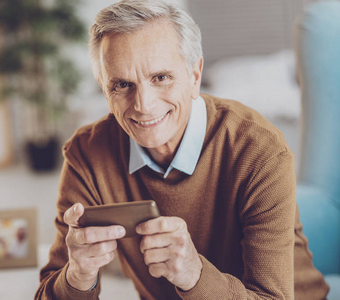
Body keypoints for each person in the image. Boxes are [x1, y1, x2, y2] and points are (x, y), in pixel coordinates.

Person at [35, 0, 329, 299]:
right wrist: (77, 277)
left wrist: (193, 275)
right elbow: (47, 292)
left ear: (195, 75)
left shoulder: (260, 150)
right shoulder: (86, 154)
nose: (143, 105)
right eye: (122, 84)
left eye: (160, 78)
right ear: (103, 87)